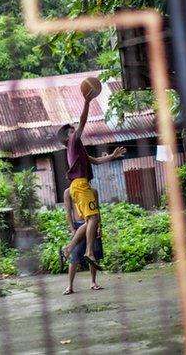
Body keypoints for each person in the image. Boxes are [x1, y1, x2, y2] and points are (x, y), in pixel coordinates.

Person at [56, 87, 126, 270]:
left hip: (77, 186)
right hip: (80, 185)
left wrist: (111, 156)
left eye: (74, 131)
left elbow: (95, 160)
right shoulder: (72, 142)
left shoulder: (78, 150)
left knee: (89, 221)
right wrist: (87, 102)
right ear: (67, 137)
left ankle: (67, 250)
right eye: (72, 131)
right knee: (93, 219)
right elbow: (83, 121)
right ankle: (88, 252)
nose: (75, 132)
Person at [62, 187, 104, 294]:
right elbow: (68, 211)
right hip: (78, 225)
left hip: (92, 223)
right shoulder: (68, 192)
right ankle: (70, 286)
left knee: (92, 254)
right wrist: (72, 229)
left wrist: (99, 226)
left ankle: (93, 282)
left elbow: (97, 210)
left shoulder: (93, 191)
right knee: (74, 257)